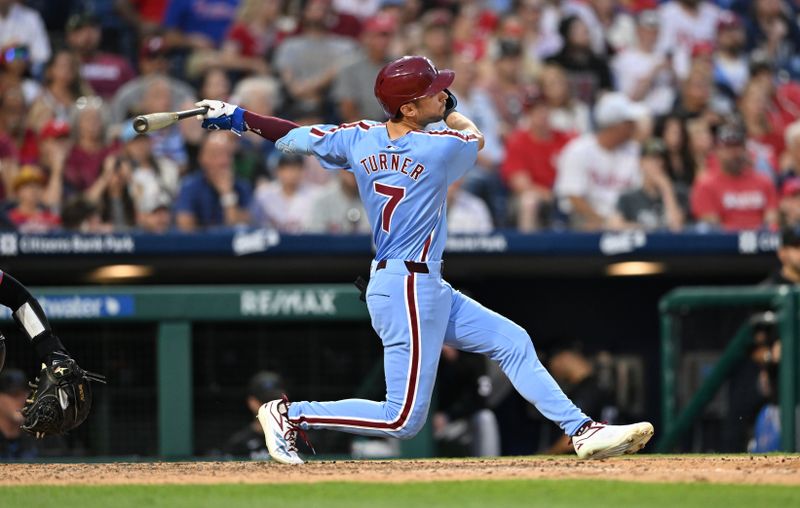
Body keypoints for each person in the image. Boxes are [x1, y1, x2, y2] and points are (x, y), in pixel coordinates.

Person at [195, 54, 654, 464]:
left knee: (512, 341)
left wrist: (236, 116)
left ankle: (582, 430)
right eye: (432, 91)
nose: (443, 93)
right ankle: (289, 415)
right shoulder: (439, 148)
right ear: (409, 108)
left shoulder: (358, 138)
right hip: (408, 286)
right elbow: (474, 136)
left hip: (416, 284)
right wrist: (453, 112)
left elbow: (293, 137)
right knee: (402, 421)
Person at [555, 92, 645, 231]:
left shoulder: (634, 151)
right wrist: (606, 222)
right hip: (584, 223)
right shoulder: (578, 150)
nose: (634, 126)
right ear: (616, 126)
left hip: (625, 220)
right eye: (629, 123)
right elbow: (573, 197)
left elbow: (640, 191)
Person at [690, 121, 779, 231]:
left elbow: (771, 222)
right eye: (728, 147)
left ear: (745, 150)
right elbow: (713, 228)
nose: (734, 153)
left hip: (759, 243)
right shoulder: (705, 185)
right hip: (723, 245)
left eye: (737, 146)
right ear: (717, 151)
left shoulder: (764, 182)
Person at [174, 131, 251, 232]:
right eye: (216, 155)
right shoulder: (189, 187)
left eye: (228, 155)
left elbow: (240, 231)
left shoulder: (242, 187)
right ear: (202, 159)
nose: (223, 161)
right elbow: (185, 229)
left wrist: (227, 195)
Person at [608, 138, 687, 232]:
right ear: (641, 162)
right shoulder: (628, 198)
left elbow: (676, 227)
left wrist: (666, 188)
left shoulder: (679, 193)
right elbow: (615, 225)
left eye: (662, 159)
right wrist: (647, 229)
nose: (659, 164)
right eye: (653, 159)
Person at [223, 371, 286, 460]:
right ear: (252, 402)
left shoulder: (302, 441)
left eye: (276, 401)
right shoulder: (238, 444)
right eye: (266, 401)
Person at [249, 153, 318, 233]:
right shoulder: (263, 194)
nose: (292, 174)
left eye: (297, 168)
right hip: (271, 241)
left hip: (303, 241)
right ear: (278, 171)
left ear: (303, 171)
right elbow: (252, 221)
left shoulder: (315, 194)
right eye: (287, 169)